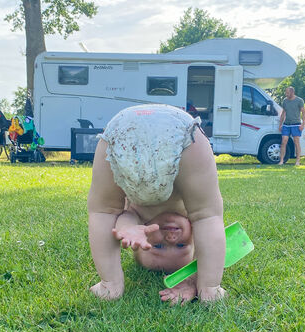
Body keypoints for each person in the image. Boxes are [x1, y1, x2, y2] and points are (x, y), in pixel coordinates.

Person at [87, 104, 226, 304]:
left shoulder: (141, 218)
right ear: (196, 238)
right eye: (181, 245)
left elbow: (126, 217)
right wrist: (198, 278)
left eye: (158, 245)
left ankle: (111, 283)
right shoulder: (192, 215)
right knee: (207, 215)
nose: (170, 237)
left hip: (121, 130)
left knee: (105, 210)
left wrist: (129, 228)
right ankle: (210, 289)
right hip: (183, 132)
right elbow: (210, 228)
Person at [278, 86, 305, 166]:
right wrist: (280, 125)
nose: (286, 94)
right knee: (283, 141)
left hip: (296, 124)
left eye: (287, 92)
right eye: (285, 92)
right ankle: (281, 160)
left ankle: (297, 161)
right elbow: (283, 113)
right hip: (286, 125)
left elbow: (303, 113)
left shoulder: (299, 100)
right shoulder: (285, 101)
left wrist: (303, 124)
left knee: (296, 142)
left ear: (292, 92)